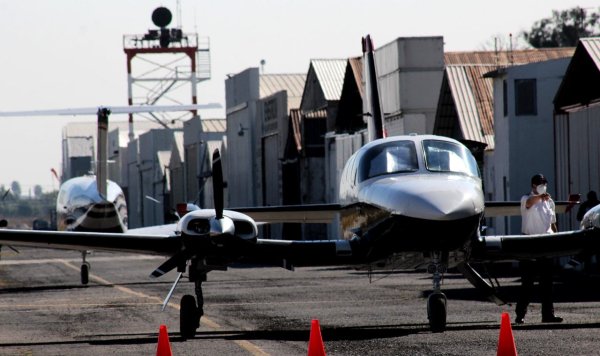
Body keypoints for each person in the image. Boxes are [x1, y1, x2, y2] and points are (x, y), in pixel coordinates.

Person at [515, 174, 563, 324]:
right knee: (527, 283)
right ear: (533, 186)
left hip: (546, 243)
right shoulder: (526, 199)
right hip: (529, 243)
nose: (543, 186)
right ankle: (520, 314)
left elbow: (553, 223)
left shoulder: (550, 202)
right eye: (540, 184)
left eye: (544, 183)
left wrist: (556, 238)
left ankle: (548, 314)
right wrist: (540, 196)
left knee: (547, 283)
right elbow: (529, 203)